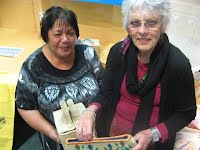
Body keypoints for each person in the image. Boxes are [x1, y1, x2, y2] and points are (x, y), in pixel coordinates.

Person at [76, 0, 197, 149]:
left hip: (152, 144)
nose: (142, 31)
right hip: (111, 140)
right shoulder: (118, 52)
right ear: (127, 26)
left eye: (151, 22)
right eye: (135, 23)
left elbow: (186, 113)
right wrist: (90, 111)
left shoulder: (177, 64)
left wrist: (153, 133)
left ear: (163, 25)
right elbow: (106, 92)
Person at [14, 6, 104, 150]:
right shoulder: (33, 66)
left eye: (70, 33)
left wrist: (92, 113)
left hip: (95, 135)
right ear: (46, 35)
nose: (65, 39)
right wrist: (54, 133)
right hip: (57, 141)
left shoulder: (88, 54)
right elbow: (25, 107)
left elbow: (104, 88)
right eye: (57, 34)